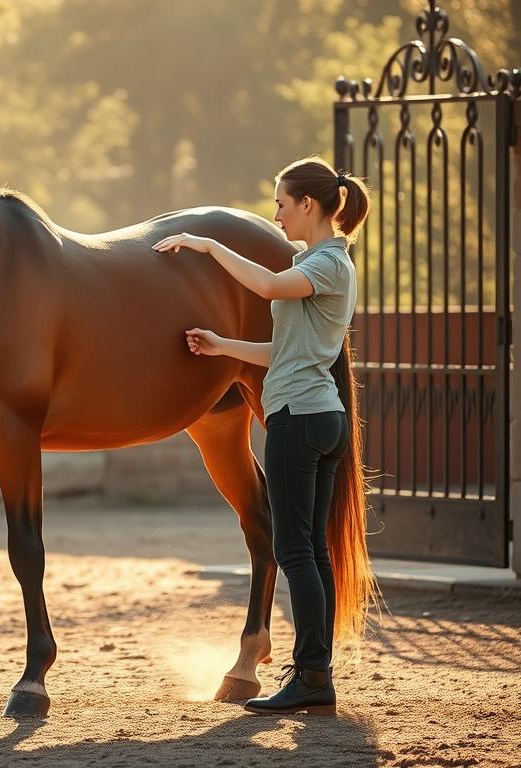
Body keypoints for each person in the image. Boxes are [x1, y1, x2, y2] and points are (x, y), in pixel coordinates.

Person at [152, 156, 371, 716]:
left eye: (280, 203)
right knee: (312, 551)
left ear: (308, 206)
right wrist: (225, 347)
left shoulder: (326, 265)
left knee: (294, 550)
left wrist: (208, 245)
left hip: (299, 420)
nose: (275, 214)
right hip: (315, 415)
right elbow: (286, 353)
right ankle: (315, 675)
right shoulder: (319, 264)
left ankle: (311, 676)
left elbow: (270, 286)